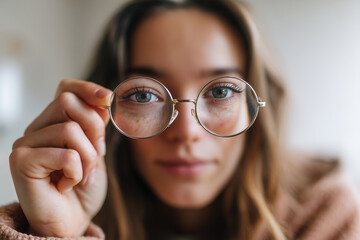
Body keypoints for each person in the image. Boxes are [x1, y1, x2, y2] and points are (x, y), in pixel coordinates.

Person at [1, 0, 359, 239]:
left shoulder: (326, 220)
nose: (185, 132)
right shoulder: (73, 212)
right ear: (103, 112)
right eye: (144, 96)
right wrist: (52, 232)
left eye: (220, 92)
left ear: (259, 107)